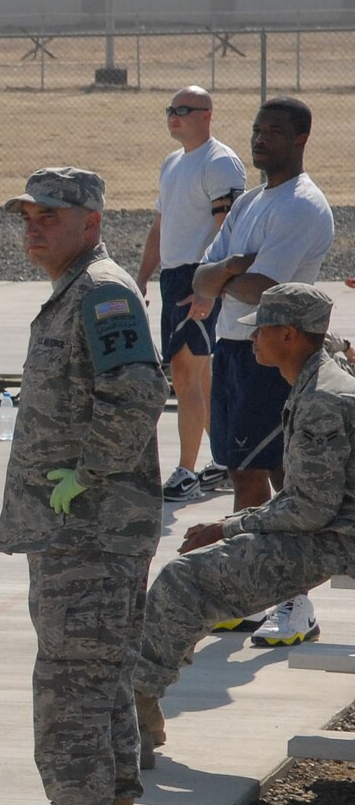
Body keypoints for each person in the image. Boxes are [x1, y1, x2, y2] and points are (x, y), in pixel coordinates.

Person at [0, 167, 166, 805]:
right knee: (102, 677)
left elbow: (138, 392)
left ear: (90, 221)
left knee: (72, 682)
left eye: (49, 214)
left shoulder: (102, 289)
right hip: (81, 530)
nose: (33, 225)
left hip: (89, 530)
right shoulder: (78, 289)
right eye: (26, 213)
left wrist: (87, 473)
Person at [133, 284, 355, 760]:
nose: (252, 339)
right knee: (195, 577)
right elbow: (332, 341)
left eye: (262, 330)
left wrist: (228, 527)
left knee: (182, 581)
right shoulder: (324, 370)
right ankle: (140, 705)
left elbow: (310, 509)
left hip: (335, 539)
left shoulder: (321, 399)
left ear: (290, 336)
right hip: (331, 529)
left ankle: (134, 711)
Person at [190, 97, 336, 646]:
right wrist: (230, 269)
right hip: (234, 349)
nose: (259, 140)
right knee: (242, 472)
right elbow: (201, 279)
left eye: (273, 132)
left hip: (275, 356)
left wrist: (228, 275)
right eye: (256, 130)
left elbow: (263, 287)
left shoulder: (302, 205)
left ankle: (294, 605)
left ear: (300, 139)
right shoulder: (251, 200)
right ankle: (250, 595)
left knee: (277, 479)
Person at [135, 86, 248, 502]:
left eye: (183, 109)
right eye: (170, 110)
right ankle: (222, 458)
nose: (174, 116)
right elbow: (160, 228)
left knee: (184, 373)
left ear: (207, 115)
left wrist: (208, 285)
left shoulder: (221, 162)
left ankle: (186, 470)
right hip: (174, 279)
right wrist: (142, 277)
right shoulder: (172, 163)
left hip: (200, 277)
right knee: (199, 374)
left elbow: (227, 231)